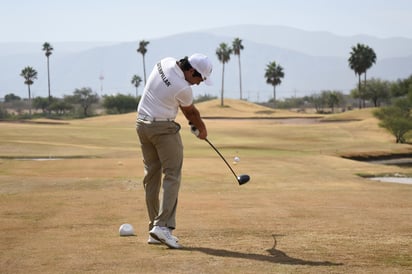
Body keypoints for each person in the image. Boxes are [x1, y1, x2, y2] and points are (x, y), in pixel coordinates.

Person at [136, 53, 213, 249]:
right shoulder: (184, 88)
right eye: (199, 78)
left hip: (142, 126)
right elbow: (191, 113)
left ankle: (154, 229)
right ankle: (162, 227)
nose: (198, 84)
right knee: (172, 175)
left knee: (152, 177)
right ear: (191, 70)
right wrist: (202, 130)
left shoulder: (164, 62)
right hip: (163, 129)